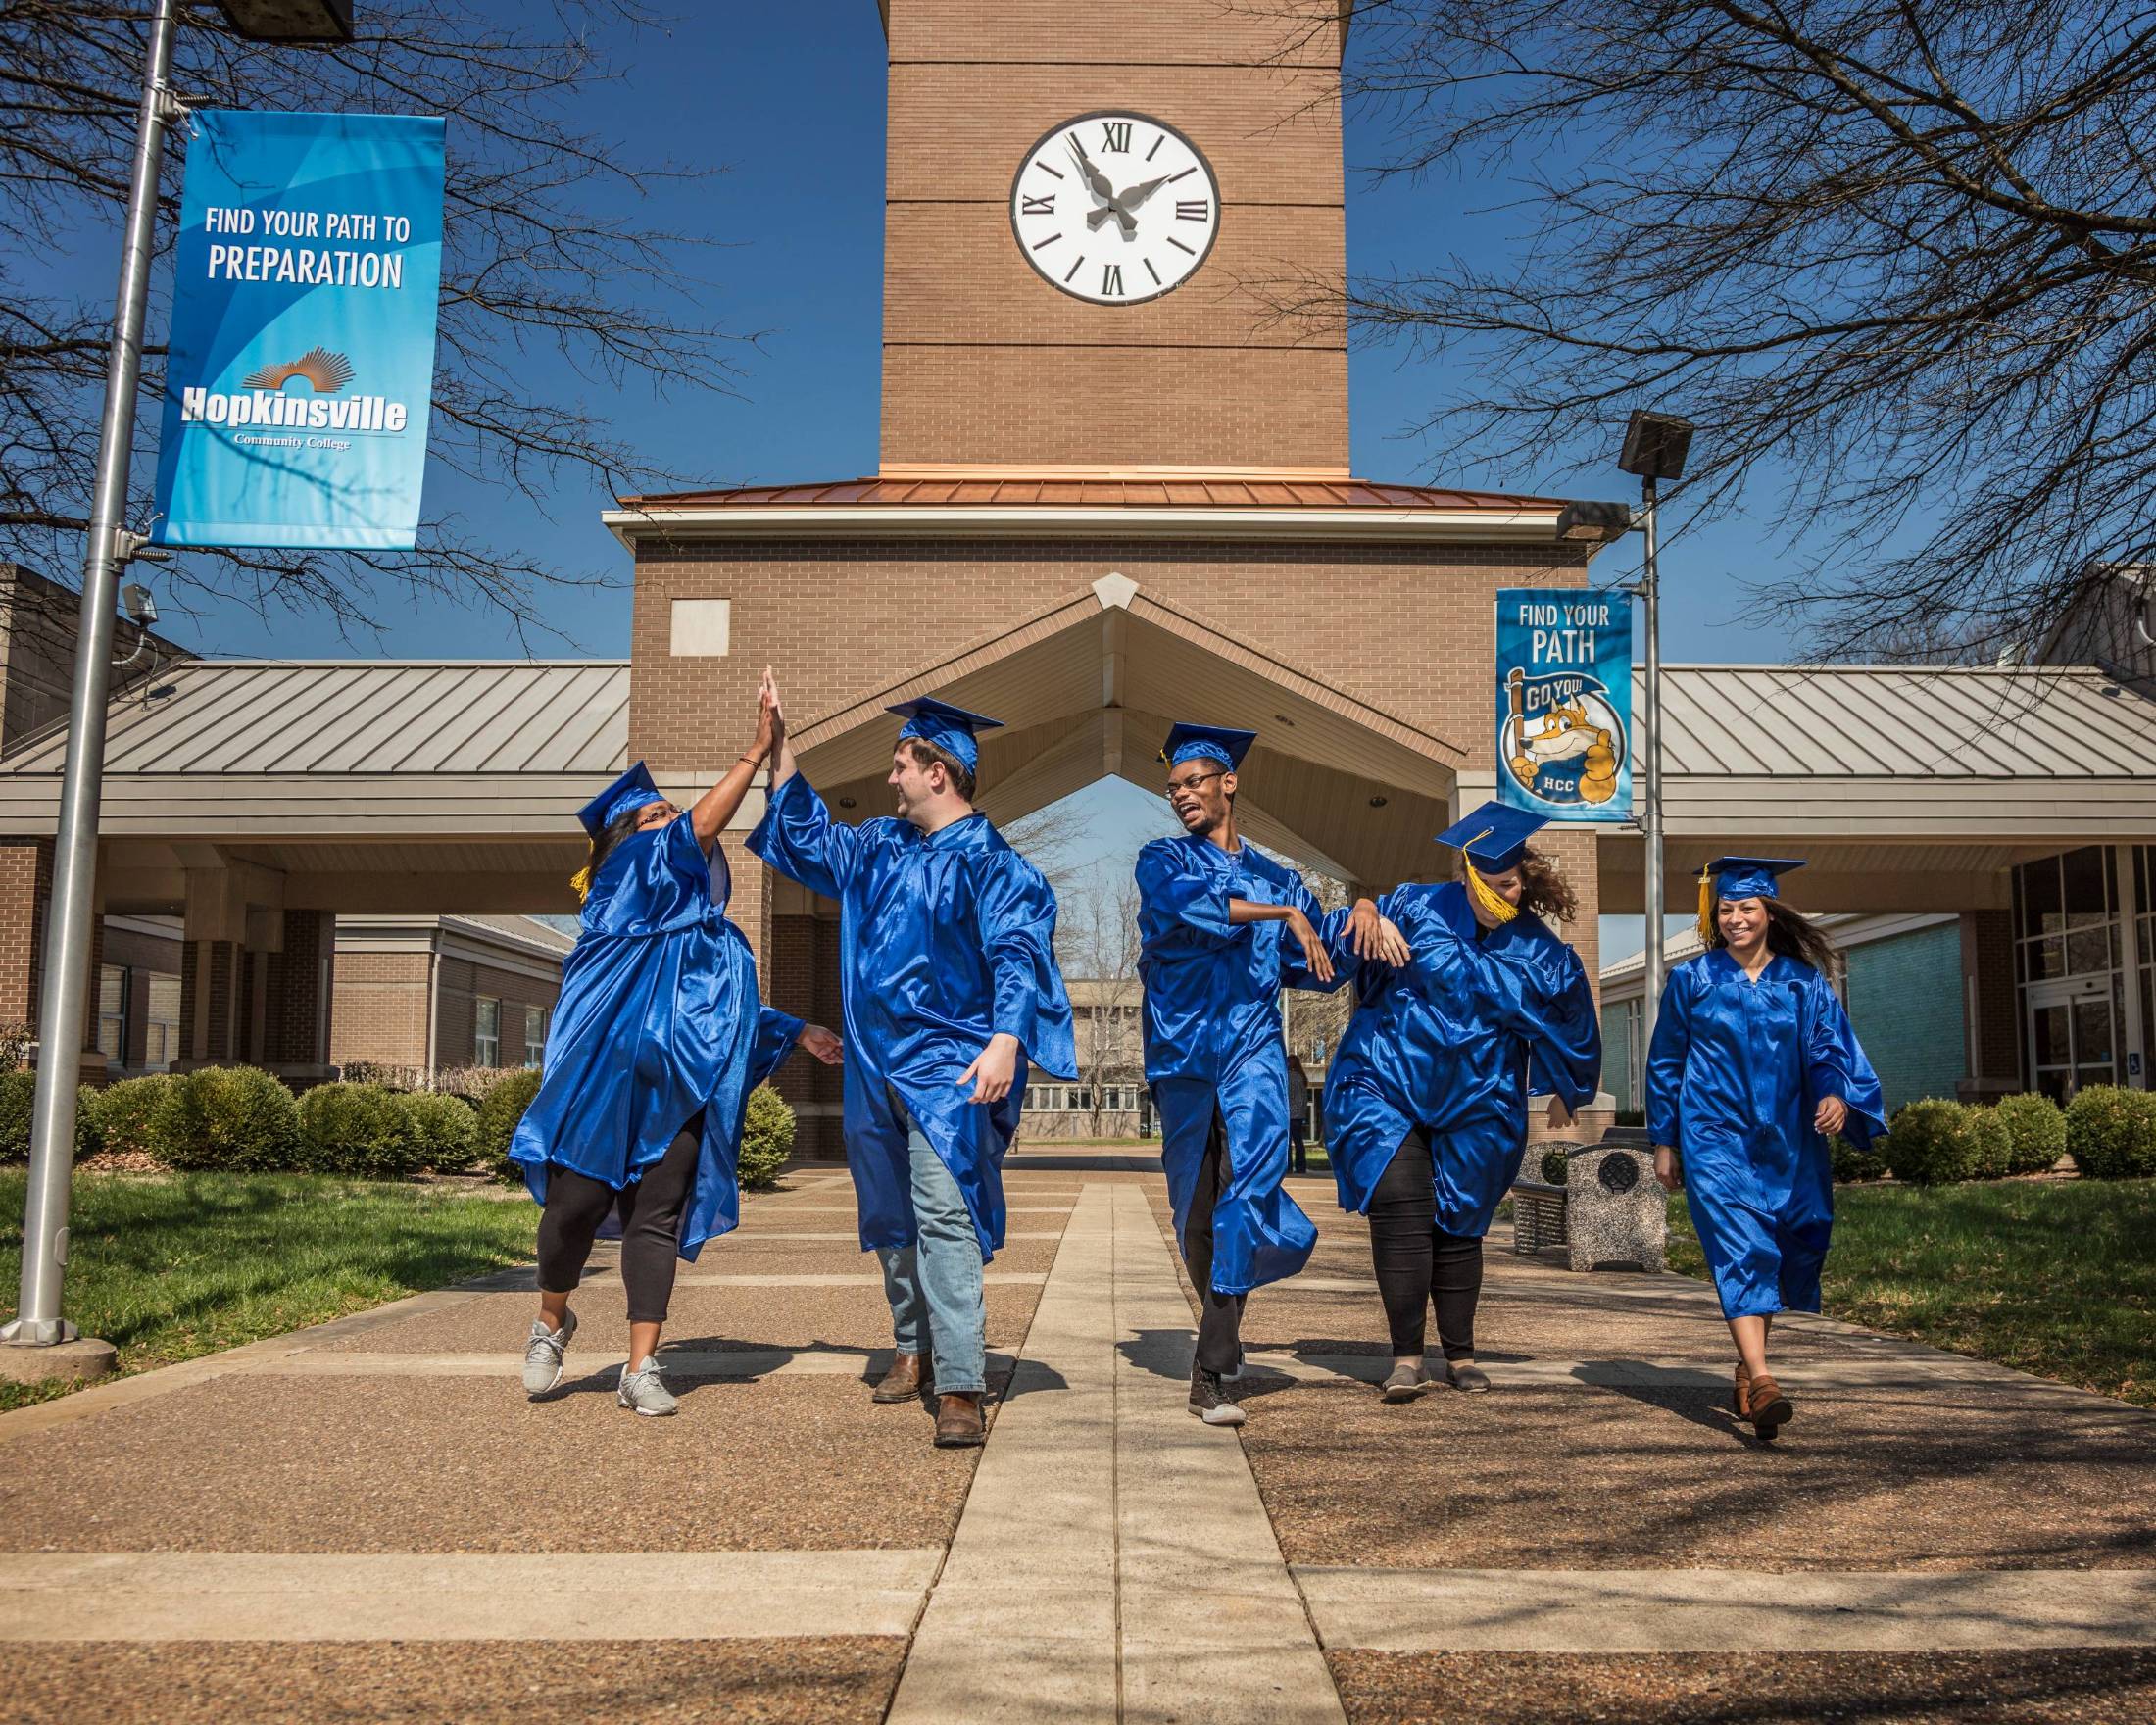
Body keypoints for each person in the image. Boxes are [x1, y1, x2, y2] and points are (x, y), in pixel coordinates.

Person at [750, 676, 1076, 1449]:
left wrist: (1005, 1037)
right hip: (871, 1066)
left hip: (948, 1067)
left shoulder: (995, 865)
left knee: (943, 1213)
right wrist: (779, 748)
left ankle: (960, 1380)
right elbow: (807, 838)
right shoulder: (878, 850)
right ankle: (911, 1348)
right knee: (891, 1217)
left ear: (938, 771)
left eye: (900, 764)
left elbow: (1018, 952)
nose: (889, 778)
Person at [511, 702, 842, 1417]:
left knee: (655, 1216)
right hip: (599, 1085)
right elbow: (693, 832)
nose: (671, 822)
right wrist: (756, 751)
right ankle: (551, 1319)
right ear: (627, 837)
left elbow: (721, 1018)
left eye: (668, 813)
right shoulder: (620, 882)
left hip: (676, 1089)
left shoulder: (715, 938)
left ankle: (641, 1365)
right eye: (654, 814)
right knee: (573, 1210)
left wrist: (797, 1030)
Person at [1134, 723, 1374, 1427]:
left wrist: (1361, 912)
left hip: (1252, 1051)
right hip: (1182, 1055)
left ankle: (1210, 1368)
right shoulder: (1162, 862)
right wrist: (1286, 913)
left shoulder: (1280, 878)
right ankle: (1226, 1325)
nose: (1181, 796)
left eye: (1193, 783)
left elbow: (1316, 964)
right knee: (1197, 1214)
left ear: (1227, 783)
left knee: (1253, 1187)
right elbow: (1200, 911)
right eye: (1173, 787)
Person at [1323, 803, 1601, 1404]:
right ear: (1469, 878)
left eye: (1517, 881)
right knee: (1399, 1207)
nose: (1512, 891)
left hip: (1480, 1093)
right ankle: (1405, 1359)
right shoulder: (1414, 906)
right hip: (1387, 1077)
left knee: (1460, 1221)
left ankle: (1461, 1353)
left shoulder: (1542, 951)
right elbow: (1355, 926)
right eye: (1500, 883)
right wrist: (1366, 911)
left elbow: (1573, 1019)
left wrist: (1566, 1085)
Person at [1645, 856, 1885, 1440]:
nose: (1734, 918)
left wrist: (1834, 1095)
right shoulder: (1693, 981)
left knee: (1782, 1243)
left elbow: (1829, 1051)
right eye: (1725, 909)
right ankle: (1764, 1377)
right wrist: (1665, 1140)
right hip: (1714, 1134)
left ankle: (1747, 1373)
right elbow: (1666, 1062)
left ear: (1769, 913)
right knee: (1741, 1246)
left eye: (1746, 908)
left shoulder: (1803, 983)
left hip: (1787, 1134)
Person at [1286, 1055, 1312, 1177]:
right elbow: (1304, 1098)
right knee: (1299, 1142)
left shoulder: (1287, 1077)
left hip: (1288, 1114)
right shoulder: (1302, 1077)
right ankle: (1301, 1167)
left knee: (1287, 1144)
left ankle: (1288, 1167)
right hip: (1298, 1115)